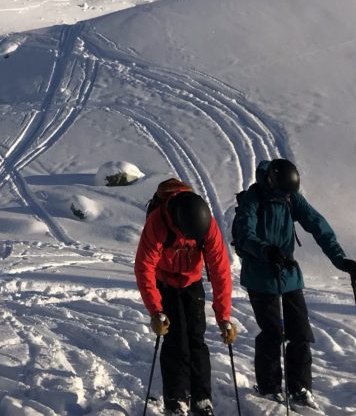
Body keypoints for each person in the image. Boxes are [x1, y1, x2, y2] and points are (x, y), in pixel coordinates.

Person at [232, 158, 356, 409]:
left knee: (300, 332)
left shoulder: (290, 197)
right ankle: (269, 388)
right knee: (272, 333)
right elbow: (245, 234)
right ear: (270, 181)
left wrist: (340, 259)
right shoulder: (253, 198)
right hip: (260, 273)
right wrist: (266, 251)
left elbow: (318, 225)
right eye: (281, 192)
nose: (284, 196)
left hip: (288, 272)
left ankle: (300, 388)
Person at [134, 177, 236, 416]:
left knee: (196, 340)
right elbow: (144, 267)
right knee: (175, 340)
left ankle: (202, 398)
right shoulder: (157, 223)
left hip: (192, 282)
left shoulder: (206, 225)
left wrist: (224, 317)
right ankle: (175, 398)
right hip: (165, 282)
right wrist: (156, 311)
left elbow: (220, 270)